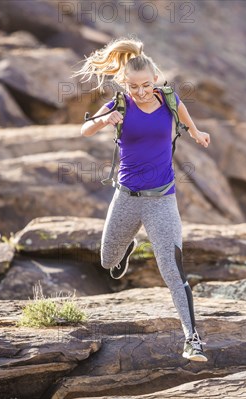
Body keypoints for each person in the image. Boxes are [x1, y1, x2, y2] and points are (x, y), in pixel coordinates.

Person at [73, 37, 211, 362]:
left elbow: (186, 119)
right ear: (126, 83)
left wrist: (196, 133)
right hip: (126, 197)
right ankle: (127, 248)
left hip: (162, 200)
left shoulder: (169, 100)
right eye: (134, 86)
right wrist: (104, 120)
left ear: (155, 79)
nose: (141, 91)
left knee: (173, 272)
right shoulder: (120, 104)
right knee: (108, 262)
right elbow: (85, 130)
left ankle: (192, 340)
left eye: (146, 85)